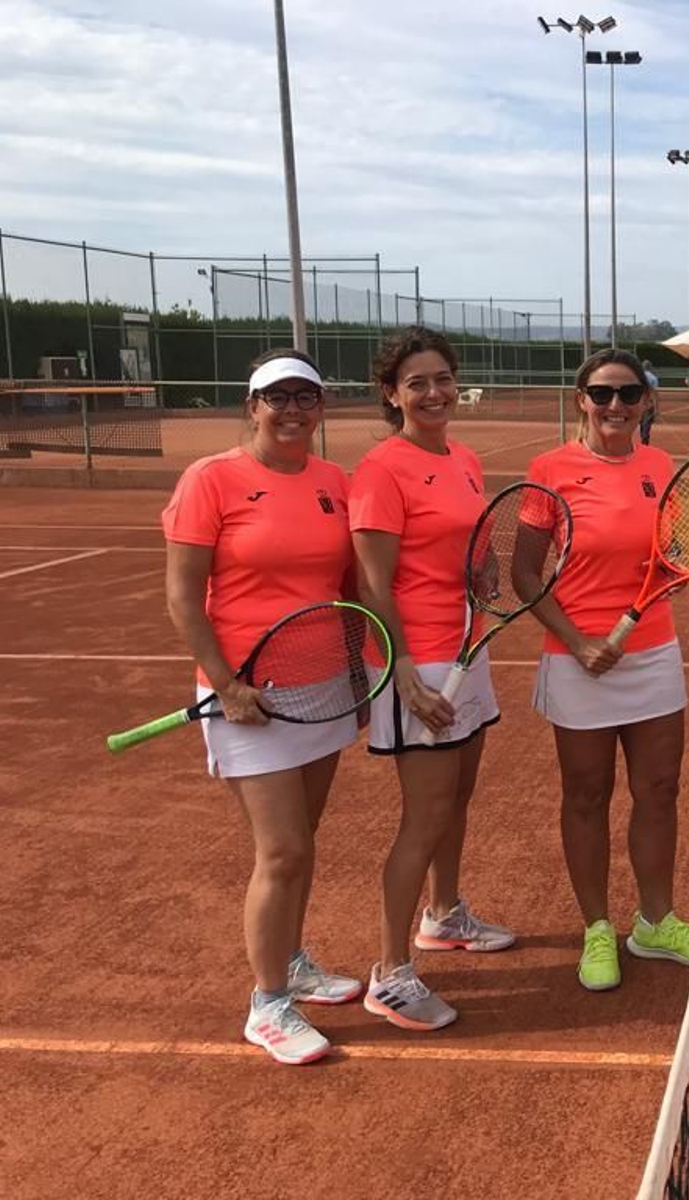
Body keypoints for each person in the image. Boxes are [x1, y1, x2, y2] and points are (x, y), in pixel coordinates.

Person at [161, 348, 363, 1065]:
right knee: (281, 851)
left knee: (304, 838)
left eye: (305, 397)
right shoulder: (210, 480)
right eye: (276, 397)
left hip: (322, 687)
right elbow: (184, 596)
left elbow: (349, 585)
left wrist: (358, 679)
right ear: (252, 405)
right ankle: (268, 1003)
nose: (291, 410)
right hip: (247, 694)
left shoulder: (335, 482)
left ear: (320, 408)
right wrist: (224, 683)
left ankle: (295, 960)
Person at [350, 326, 514, 1031]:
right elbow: (372, 582)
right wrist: (404, 671)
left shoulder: (465, 459)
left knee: (459, 797)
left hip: (466, 647)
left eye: (443, 378)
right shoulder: (381, 470)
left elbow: (464, 551)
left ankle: (444, 915)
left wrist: (481, 573)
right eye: (416, 382)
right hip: (416, 660)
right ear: (392, 394)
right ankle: (390, 974)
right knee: (424, 816)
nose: (434, 392)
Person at [525, 349, 689, 992]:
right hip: (578, 660)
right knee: (587, 795)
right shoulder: (549, 471)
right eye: (602, 394)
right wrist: (577, 641)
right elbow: (525, 574)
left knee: (660, 790)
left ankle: (654, 920)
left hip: (652, 651)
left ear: (646, 403)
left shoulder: (659, 467)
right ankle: (597, 927)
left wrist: (672, 568)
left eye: (629, 395)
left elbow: (663, 550)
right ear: (581, 400)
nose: (615, 407)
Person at [639, 359, 660, 445]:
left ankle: (642, 443)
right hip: (649, 405)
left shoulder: (638, 377)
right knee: (646, 427)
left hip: (639, 405)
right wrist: (656, 408)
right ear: (650, 367)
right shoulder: (653, 378)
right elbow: (654, 394)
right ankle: (644, 445)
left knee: (642, 425)